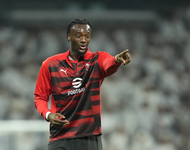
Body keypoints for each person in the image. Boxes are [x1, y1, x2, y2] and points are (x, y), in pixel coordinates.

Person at [34, 19, 131, 150]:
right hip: (60, 136)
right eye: (78, 36)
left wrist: (117, 60)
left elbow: (108, 65)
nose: (83, 40)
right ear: (68, 36)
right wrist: (48, 115)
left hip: (89, 137)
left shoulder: (97, 60)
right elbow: (40, 97)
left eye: (87, 36)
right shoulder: (50, 64)